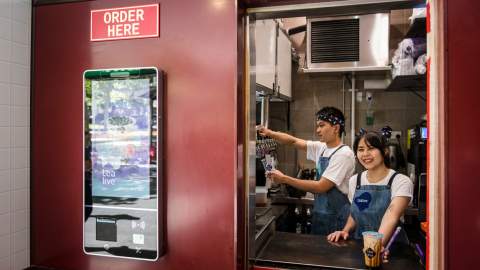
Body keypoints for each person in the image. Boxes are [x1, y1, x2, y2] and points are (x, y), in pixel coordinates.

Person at [259, 106, 355, 235]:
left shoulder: (344, 154)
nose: (318, 130)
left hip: (337, 218)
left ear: (336, 128)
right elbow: (293, 141)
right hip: (321, 212)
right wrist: (270, 133)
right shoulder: (322, 148)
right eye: (317, 126)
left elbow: (321, 187)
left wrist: (284, 179)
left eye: (321, 126)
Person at [327, 130, 413, 254]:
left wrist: (376, 246)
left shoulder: (401, 181)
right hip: (361, 246)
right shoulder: (355, 181)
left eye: (371, 148)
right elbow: (355, 212)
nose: (365, 154)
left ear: (385, 151)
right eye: (361, 149)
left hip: (390, 248)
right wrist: (345, 231)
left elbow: (391, 216)